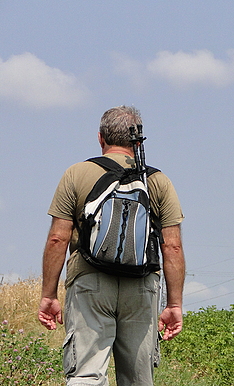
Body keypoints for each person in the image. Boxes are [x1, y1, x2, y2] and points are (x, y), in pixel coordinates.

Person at [38, 105, 186, 385]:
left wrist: (49, 295)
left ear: (100, 138)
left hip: (90, 283)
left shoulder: (76, 174)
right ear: (138, 142)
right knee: (138, 379)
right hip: (141, 288)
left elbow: (58, 238)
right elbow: (173, 247)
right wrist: (174, 303)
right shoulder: (157, 181)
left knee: (86, 374)